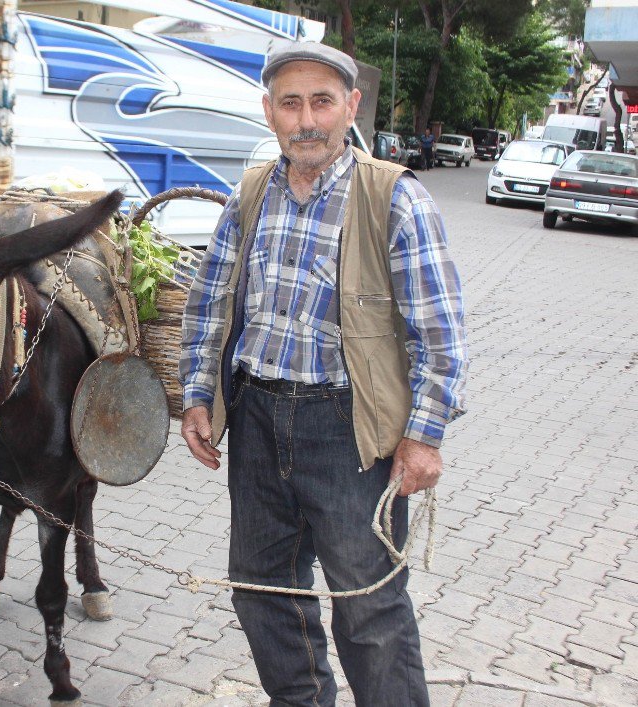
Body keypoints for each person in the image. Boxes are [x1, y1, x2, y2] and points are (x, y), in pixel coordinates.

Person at [178, 40, 467, 707]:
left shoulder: (393, 197)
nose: (307, 120)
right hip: (256, 419)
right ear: (269, 113)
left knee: (368, 607)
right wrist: (197, 394)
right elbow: (210, 301)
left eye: (322, 102)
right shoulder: (251, 192)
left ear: (350, 107)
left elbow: (440, 332)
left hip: (350, 432)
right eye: (291, 103)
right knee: (260, 586)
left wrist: (424, 436)